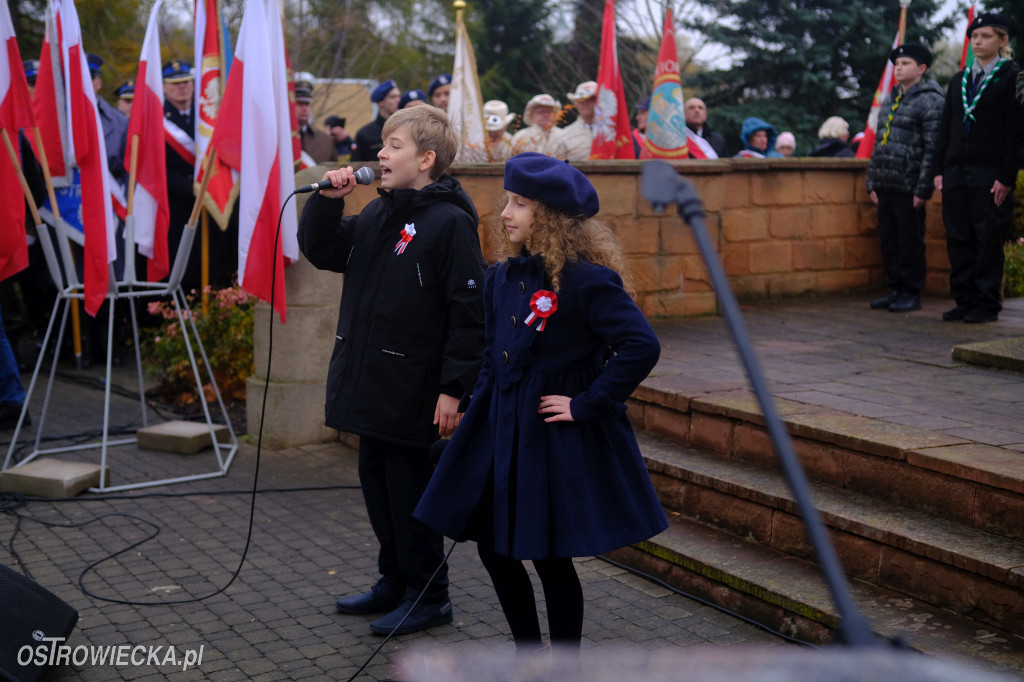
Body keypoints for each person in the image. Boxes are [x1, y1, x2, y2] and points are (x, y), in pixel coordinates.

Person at [414, 152, 669, 654]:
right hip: (499, 427)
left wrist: (586, 402)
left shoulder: (587, 281)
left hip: (547, 439)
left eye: (520, 204)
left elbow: (641, 346)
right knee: (493, 546)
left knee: (550, 557)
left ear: (549, 216)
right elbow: (493, 352)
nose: (506, 213)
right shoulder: (501, 278)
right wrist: (472, 411)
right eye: (508, 201)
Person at [297, 105, 486, 636]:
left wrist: (454, 388)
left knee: (410, 494)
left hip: (414, 386)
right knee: (377, 485)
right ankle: (394, 580)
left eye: (394, 145)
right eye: (382, 143)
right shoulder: (381, 213)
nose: (380, 153)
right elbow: (326, 250)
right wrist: (328, 205)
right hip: (372, 379)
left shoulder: (449, 222)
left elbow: (469, 313)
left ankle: (430, 594)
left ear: (426, 159)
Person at [932, 13, 1024, 323]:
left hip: (990, 173)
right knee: (959, 237)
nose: (977, 41)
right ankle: (965, 299)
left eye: (985, 36)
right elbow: (946, 128)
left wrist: (1006, 177)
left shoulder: (1012, 76)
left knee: (987, 239)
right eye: (973, 36)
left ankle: (985, 303)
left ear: (1002, 40)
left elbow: (1016, 133)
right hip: (956, 171)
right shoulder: (960, 79)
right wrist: (939, 169)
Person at [866, 43, 944, 313]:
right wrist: (872, 181)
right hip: (887, 181)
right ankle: (896, 287)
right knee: (889, 238)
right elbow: (880, 143)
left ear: (921, 68)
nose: (898, 67)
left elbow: (933, 148)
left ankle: (912, 291)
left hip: (909, 184)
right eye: (897, 64)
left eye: (906, 63)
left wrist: (923, 188)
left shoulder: (931, 100)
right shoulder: (891, 98)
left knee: (910, 239)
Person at [161, 59, 201, 290]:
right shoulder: (158, 118)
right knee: (177, 262)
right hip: (173, 204)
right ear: (165, 87)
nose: (182, 87)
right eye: (175, 84)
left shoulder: (205, 116)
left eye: (186, 82)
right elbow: (156, 168)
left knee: (205, 260)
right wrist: (188, 188)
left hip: (206, 203)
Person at [353, 79, 400, 162]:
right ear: (380, 102)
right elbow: (355, 164)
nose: (398, 100)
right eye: (393, 97)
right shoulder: (365, 134)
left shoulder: (405, 129)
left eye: (399, 96)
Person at [510, 94, 568, 159]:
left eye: (549, 112)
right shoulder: (520, 136)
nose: (545, 115)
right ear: (531, 115)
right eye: (541, 112)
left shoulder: (564, 136)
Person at [294, 81, 336, 164]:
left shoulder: (325, 140)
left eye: (307, 104)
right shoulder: (280, 139)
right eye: (299, 103)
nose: (304, 109)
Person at [562, 81, 597, 161]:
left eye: (590, 99)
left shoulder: (614, 131)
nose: (585, 103)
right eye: (580, 100)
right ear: (576, 104)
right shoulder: (565, 135)